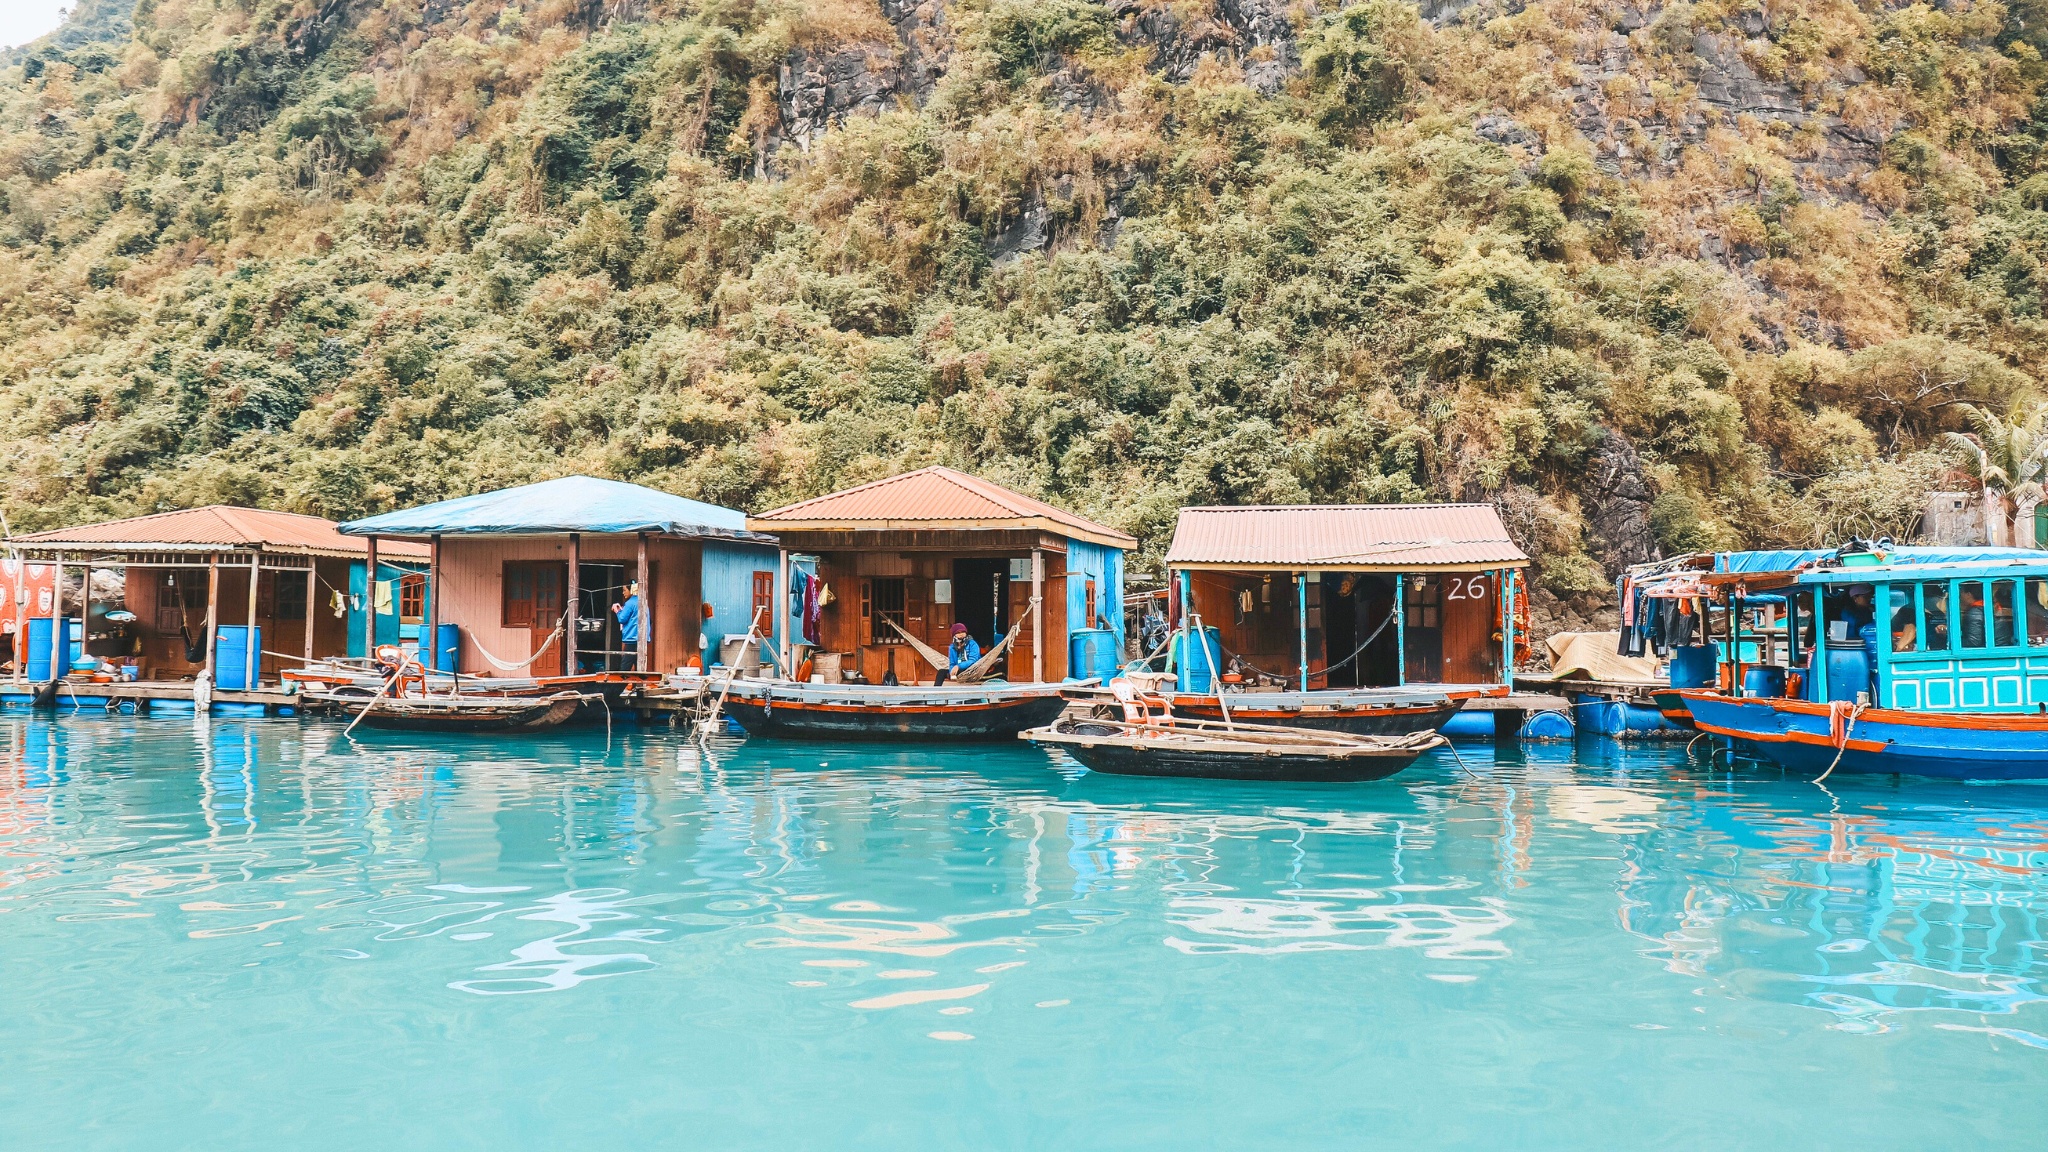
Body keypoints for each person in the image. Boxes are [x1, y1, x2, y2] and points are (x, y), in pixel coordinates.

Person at [935, 622, 981, 687]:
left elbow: (973, 660)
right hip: (959, 671)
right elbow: (952, 663)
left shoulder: (972, 644)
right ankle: (936, 693)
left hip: (972, 670)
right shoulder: (952, 647)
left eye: (963, 632)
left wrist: (958, 666)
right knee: (941, 672)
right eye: (958, 632)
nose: (961, 634)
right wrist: (952, 672)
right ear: (954, 635)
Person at [611, 581, 642, 671]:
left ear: (631, 590)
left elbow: (622, 619)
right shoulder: (642, 601)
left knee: (625, 665)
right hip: (641, 638)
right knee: (638, 664)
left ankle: (621, 684)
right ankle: (638, 684)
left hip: (632, 638)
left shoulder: (630, 603)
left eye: (625, 590)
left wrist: (617, 611)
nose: (623, 592)